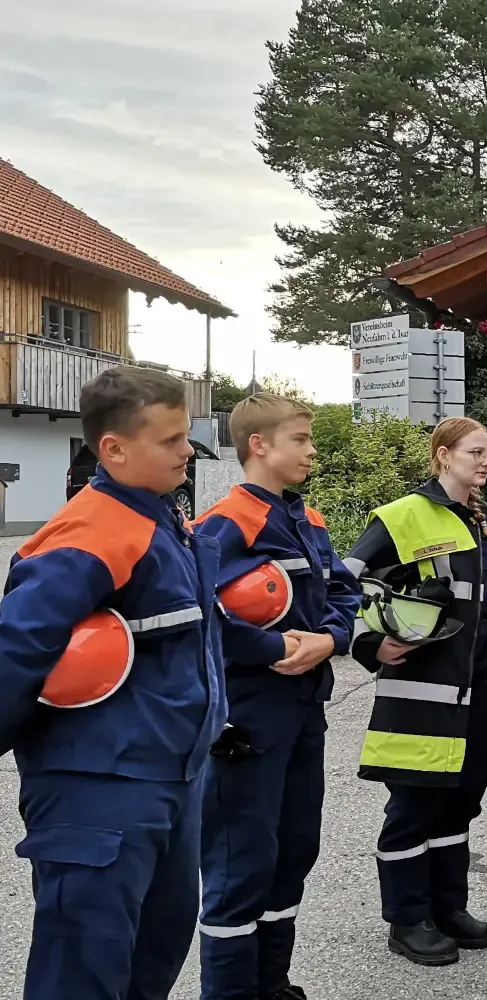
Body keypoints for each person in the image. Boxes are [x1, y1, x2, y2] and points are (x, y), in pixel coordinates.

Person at [0, 367, 229, 999]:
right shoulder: (91, 533)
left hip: (172, 780)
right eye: (172, 439)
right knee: (84, 971)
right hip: (98, 791)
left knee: (151, 958)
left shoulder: (164, 523)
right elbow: (16, 649)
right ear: (115, 449)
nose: (189, 450)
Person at [343, 416, 487, 967]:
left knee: (460, 801)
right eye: (475, 451)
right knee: (415, 803)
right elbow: (341, 581)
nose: (486, 461)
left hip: (484, 689)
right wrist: (369, 642)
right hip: (425, 691)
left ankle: (448, 907)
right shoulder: (404, 516)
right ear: (443, 455)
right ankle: (407, 918)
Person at [189, 393, 362, 1000]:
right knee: (242, 859)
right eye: (301, 440)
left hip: (304, 710)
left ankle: (272, 983)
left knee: (293, 850)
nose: (312, 451)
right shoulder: (224, 523)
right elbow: (201, 617)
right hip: (249, 718)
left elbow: (345, 593)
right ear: (258, 445)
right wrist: (272, 649)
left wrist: (329, 640)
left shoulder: (308, 520)